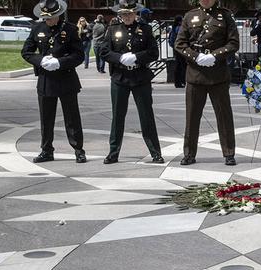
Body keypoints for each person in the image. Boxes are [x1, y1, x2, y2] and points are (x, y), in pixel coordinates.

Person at [174, 0, 240, 166]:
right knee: (192, 117)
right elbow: (180, 43)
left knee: (224, 116)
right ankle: (189, 153)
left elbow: (233, 43)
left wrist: (215, 56)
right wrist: (196, 57)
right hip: (196, 74)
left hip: (218, 74)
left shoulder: (225, 16)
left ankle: (229, 153)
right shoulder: (190, 16)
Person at [98, 1, 164, 165]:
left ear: (136, 13)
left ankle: (155, 152)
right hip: (120, 78)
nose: (127, 16)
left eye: (130, 13)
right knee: (117, 117)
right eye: (124, 14)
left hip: (140, 78)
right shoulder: (112, 29)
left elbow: (153, 53)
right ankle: (113, 152)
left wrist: (137, 57)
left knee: (146, 116)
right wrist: (119, 58)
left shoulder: (146, 29)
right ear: (120, 14)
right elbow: (104, 51)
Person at [21, 0, 86, 164]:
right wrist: (40, 60)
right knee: (46, 118)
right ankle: (46, 150)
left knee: (72, 118)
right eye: (45, 17)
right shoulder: (37, 28)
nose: (47, 20)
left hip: (66, 79)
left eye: (50, 17)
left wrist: (60, 62)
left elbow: (79, 55)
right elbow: (26, 52)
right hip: (46, 80)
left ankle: (78, 149)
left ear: (58, 15)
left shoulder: (70, 29)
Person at [169, 15, 186, 88]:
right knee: (182, 66)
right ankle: (181, 81)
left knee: (178, 65)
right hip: (180, 49)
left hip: (175, 48)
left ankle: (178, 82)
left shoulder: (173, 28)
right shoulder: (179, 28)